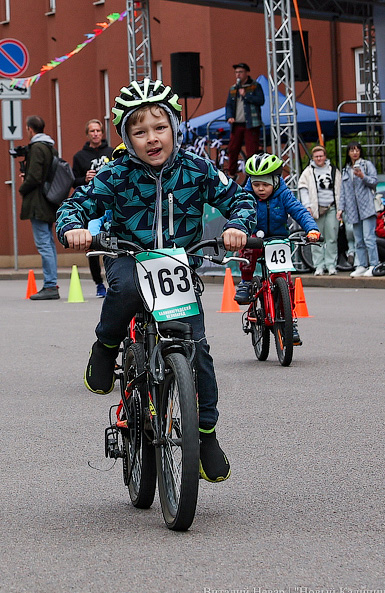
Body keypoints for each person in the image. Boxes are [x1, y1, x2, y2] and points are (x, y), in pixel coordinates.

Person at [57, 78, 256, 483]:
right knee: (126, 287)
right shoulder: (116, 174)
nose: (151, 138)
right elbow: (75, 204)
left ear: (175, 127)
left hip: (178, 268)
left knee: (198, 353)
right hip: (128, 257)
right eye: (139, 131)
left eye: (159, 127)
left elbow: (241, 198)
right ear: (127, 137)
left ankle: (206, 437)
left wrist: (237, 225)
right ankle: (106, 344)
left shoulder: (198, 169)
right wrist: (74, 228)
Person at [233, 153, 320, 345]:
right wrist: (236, 233)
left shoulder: (284, 194)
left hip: (279, 239)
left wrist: (312, 229)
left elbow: (298, 211)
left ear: (275, 180)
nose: (261, 189)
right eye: (256, 184)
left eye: (265, 184)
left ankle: (290, 321)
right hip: (255, 238)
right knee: (248, 248)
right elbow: (237, 215)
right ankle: (246, 282)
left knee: (285, 281)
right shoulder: (246, 196)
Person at [19, 115, 61, 300]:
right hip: (50, 200)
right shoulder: (51, 147)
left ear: (29, 129)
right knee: (49, 243)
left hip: (38, 202)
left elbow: (35, 176)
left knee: (44, 243)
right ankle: (51, 283)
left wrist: (23, 187)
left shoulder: (37, 148)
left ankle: (50, 285)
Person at [71, 119, 113, 297]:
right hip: (93, 205)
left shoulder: (111, 152)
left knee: (113, 245)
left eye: (98, 131)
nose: (95, 134)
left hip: (111, 204)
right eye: (92, 131)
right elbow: (74, 182)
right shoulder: (80, 156)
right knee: (93, 245)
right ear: (87, 134)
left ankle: (114, 282)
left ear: (102, 133)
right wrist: (85, 179)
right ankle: (98, 284)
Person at [298, 145, 341, 275]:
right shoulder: (308, 172)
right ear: (313, 158)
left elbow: (340, 189)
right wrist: (307, 206)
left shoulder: (333, 170)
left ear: (325, 156)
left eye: (321, 156)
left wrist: (341, 208)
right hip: (316, 210)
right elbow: (303, 189)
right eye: (316, 156)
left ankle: (331, 264)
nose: (319, 158)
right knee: (316, 238)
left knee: (332, 237)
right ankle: (319, 266)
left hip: (332, 207)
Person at [340, 142, 379, 277]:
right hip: (353, 209)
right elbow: (343, 192)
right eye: (352, 150)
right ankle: (361, 264)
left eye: (357, 150)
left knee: (369, 238)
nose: (354, 153)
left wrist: (363, 176)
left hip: (367, 207)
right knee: (358, 239)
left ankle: (374, 264)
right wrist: (341, 208)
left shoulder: (367, 165)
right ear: (348, 153)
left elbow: (374, 181)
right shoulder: (345, 170)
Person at [224, 63, 264, 181]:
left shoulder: (255, 86)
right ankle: (232, 173)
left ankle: (253, 175)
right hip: (237, 124)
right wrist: (229, 116)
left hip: (251, 124)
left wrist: (246, 95)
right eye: (236, 72)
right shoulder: (233, 88)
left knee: (252, 150)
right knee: (232, 148)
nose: (238, 75)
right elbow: (228, 105)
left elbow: (261, 100)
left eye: (240, 72)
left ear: (246, 73)